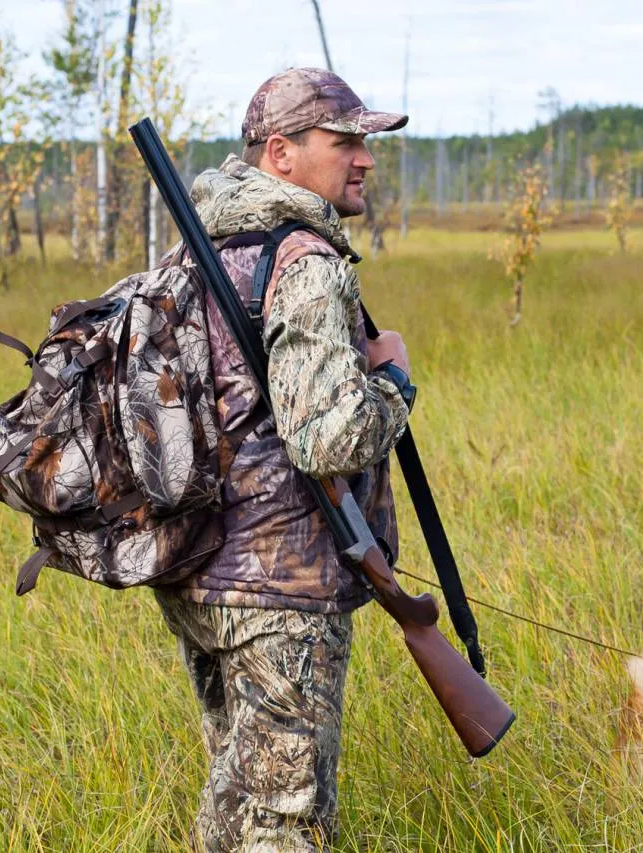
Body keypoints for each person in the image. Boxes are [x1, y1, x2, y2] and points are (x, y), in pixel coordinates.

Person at [153, 67, 417, 852]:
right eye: (345, 142)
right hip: (280, 586)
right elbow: (326, 437)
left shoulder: (197, 248)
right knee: (282, 824)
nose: (364, 158)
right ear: (281, 153)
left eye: (366, 142)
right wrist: (395, 380)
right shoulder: (302, 259)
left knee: (236, 811)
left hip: (199, 570)